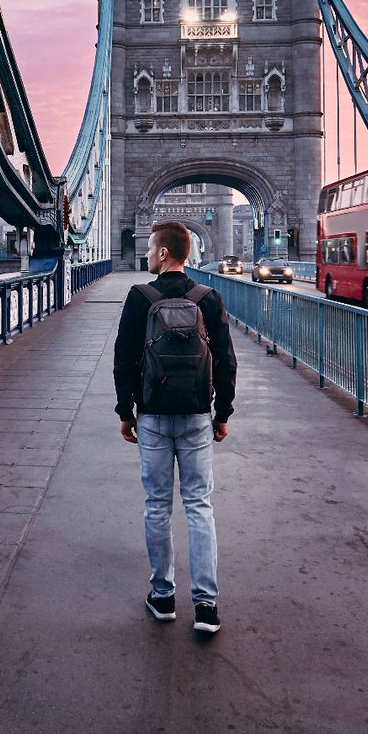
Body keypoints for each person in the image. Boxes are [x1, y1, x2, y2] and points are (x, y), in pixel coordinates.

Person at [114, 220, 237, 634]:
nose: (147, 254)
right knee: (199, 505)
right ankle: (206, 606)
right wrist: (222, 413)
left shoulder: (139, 297)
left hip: (151, 416)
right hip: (197, 415)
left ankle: (163, 596)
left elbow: (123, 360)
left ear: (164, 253)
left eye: (150, 249)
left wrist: (126, 412)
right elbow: (226, 361)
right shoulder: (209, 298)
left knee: (157, 505)